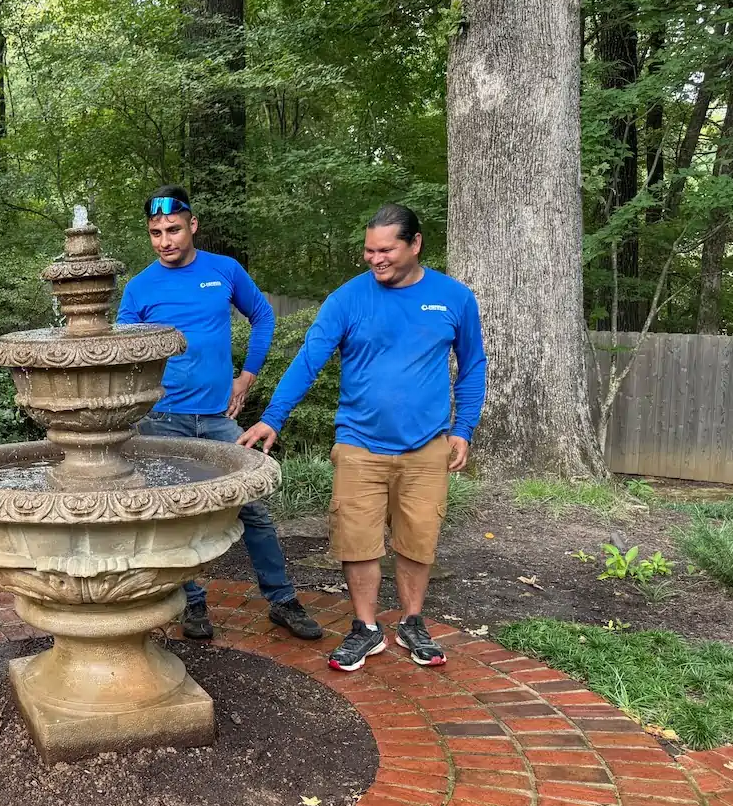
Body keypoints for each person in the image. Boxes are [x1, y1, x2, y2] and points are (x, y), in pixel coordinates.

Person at [238, 203, 487, 672]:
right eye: (369, 251)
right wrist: (273, 417)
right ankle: (366, 628)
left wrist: (464, 428)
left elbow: (472, 366)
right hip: (359, 443)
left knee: (418, 539)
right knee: (357, 540)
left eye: (386, 250)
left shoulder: (454, 298)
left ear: (415, 244)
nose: (376, 259)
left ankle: (413, 622)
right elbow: (309, 360)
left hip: (427, 445)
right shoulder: (348, 299)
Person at [118, 186, 322, 642]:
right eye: (155, 233)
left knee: (254, 509)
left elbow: (264, 317)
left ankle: (282, 600)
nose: (165, 240)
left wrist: (246, 376)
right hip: (162, 420)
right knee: (176, 516)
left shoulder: (224, 271)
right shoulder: (140, 287)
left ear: (193, 225)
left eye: (173, 229)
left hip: (217, 418)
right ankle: (192, 604)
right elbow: (122, 351)